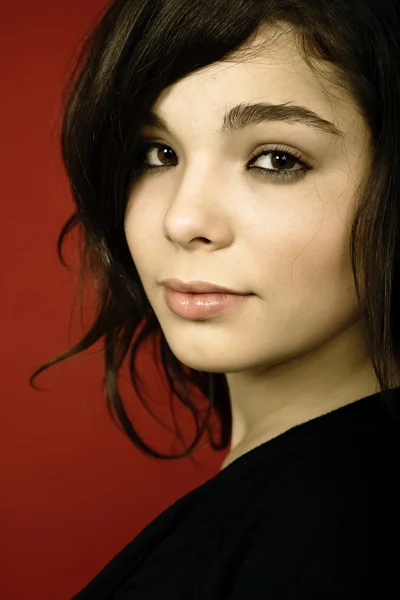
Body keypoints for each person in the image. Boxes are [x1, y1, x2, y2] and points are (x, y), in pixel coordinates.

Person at [30, 0, 400, 597]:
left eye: (276, 160)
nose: (182, 219)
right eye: (158, 153)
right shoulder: (284, 499)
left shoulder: (339, 526)